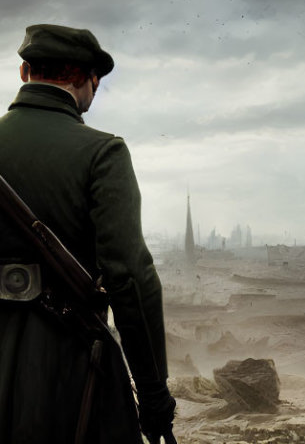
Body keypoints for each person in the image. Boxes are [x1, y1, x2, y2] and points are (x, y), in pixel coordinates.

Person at [0, 24, 176, 443]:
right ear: (85, 79)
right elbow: (130, 279)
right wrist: (153, 395)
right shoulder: (102, 153)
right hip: (70, 369)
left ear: (25, 72)